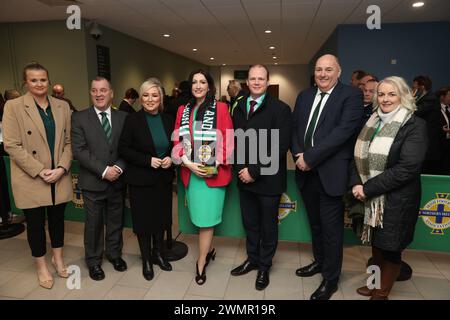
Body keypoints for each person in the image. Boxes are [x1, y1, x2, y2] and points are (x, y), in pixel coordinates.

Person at [349, 76, 428, 300]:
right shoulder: (372, 121)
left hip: (396, 201)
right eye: (381, 94)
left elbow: (406, 168)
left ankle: (381, 293)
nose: (385, 99)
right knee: (376, 246)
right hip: (371, 200)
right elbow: (356, 156)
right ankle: (374, 284)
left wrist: (367, 188)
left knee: (391, 249)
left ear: (403, 96)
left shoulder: (415, 125)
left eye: (392, 94)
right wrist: (356, 182)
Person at [292, 54, 363, 300]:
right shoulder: (304, 96)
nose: (323, 74)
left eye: (328, 69)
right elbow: (295, 128)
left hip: (330, 174)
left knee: (332, 230)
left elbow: (342, 133)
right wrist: (298, 154)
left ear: (338, 71)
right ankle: (320, 263)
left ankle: (330, 279)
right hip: (305, 174)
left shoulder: (351, 96)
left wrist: (310, 158)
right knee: (315, 225)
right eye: (319, 69)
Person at [2, 62, 73, 289]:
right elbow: (11, 145)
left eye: (43, 79)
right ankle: (41, 265)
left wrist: (61, 168)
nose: (39, 84)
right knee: (35, 225)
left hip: (58, 175)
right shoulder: (13, 106)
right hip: (31, 176)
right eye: (33, 80)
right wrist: (39, 170)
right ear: (25, 82)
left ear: (48, 80)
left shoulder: (62, 106)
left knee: (57, 221)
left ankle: (58, 259)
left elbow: (70, 142)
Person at [230, 64, 292, 291]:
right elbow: (234, 141)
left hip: (268, 180)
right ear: (247, 82)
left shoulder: (280, 109)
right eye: (252, 79)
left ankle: (265, 266)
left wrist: (253, 171)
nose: (256, 82)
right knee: (251, 224)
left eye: (261, 79)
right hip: (243, 178)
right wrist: (242, 170)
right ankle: (252, 259)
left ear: (267, 82)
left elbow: (279, 146)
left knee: (268, 227)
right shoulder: (238, 107)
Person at [173, 69, 233, 285]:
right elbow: (177, 139)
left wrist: (214, 162)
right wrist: (187, 162)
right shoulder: (183, 110)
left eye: (202, 82)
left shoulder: (221, 108)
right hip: (191, 173)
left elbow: (228, 137)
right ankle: (210, 249)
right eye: (194, 82)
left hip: (212, 174)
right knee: (200, 219)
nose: (198, 85)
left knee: (206, 221)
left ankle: (201, 260)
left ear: (209, 86)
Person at [71, 76, 128, 281]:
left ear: (111, 93)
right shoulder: (79, 118)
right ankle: (94, 261)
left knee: (115, 221)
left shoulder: (123, 117)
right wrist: (104, 170)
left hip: (117, 181)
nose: (99, 94)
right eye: (94, 90)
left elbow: (127, 148)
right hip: (93, 182)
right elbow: (79, 151)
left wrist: (119, 169)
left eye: (103, 90)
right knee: (93, 224)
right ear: (90, 93)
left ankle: (114, 254)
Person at [119, 78, 174, 280]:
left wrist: (172, 159)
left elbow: (176, 146)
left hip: (163, 180)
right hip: (141, 180)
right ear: (140, 98)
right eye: (146, 95)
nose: (150, 99)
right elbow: (123, 149)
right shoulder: (132, 120)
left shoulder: (168, 119)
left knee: (161, 220)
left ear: (161, 98)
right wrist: (147, 160)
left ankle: (158, 254)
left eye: (154, 95)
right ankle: (147, 260)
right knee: (143, 223)